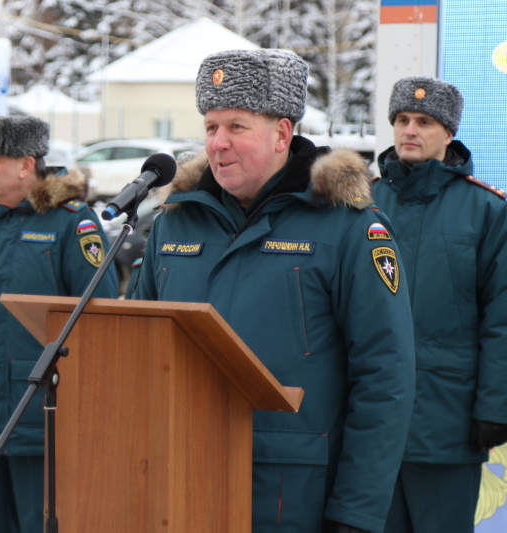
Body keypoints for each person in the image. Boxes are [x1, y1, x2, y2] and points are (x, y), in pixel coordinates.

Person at [128, 49, 416, 533]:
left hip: (295, 497)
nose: (217, 144)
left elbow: (385, 376)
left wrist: (356, 509)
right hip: (180, 486)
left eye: (236, 127)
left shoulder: (348, 227)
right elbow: (137, 354)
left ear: (282, 133)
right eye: (211, 127)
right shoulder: (174, 224)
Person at [0, 115, 119, 533]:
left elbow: (101, 322)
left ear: (26, 165)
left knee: (43, 522)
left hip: (46, 415)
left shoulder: (73, 223)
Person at [372, 76, 507, 533]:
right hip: (369, 426)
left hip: (447, 423)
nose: (410, 130)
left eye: (425, 122)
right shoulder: (360, 205)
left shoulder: (487, 211)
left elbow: (502, 317)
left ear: (448, 134)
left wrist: (496, 407)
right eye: (403, 119)